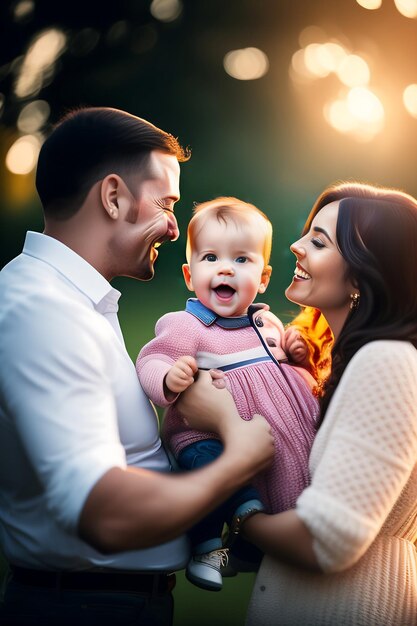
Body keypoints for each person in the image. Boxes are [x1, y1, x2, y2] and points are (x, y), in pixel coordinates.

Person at [0, 107, 275, 626]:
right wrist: (237, 459)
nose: (175, 227)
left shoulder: (71, 303)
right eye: (166, 202)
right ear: (113, 196)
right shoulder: (43, 312)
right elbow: (104, 512)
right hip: (86, 610)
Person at [178, 182, 417, 626]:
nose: (295, 246)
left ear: (364, 274)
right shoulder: (332, 363)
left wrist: (238, 505)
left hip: (351, 606)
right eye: (308, 232)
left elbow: (322, 540)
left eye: (318, 241)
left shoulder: (387, 361)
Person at [136, 197, 319, 591]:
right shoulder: (188, 326)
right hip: (205, 437)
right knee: (223, 478)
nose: (224, 268)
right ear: (189, 274)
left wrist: (296, 353)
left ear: (264, 278)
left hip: (267, 438)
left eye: (241, 260)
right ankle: (206, 548)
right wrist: (169, 377)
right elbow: (150, 360)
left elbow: (285, 374)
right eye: (210, 258)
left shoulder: (266, 322)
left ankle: (247, 550)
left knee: (275, 490)